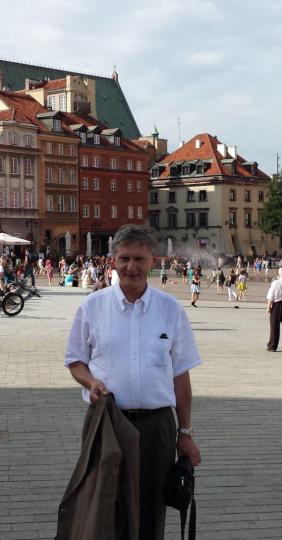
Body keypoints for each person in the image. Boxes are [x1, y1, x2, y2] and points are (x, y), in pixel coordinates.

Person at [63, 225, 201, 538]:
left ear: (154, 260)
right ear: (113, 260)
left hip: (156, 426)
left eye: (139, 258)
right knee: (103, 504)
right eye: (124, 258)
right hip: (107, 422)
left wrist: (185, 432)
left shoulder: (170, 310)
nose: (131, 266)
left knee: (152, 505)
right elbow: (75, 360)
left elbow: (181, 375)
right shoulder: (92, 307)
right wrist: (90, 382)